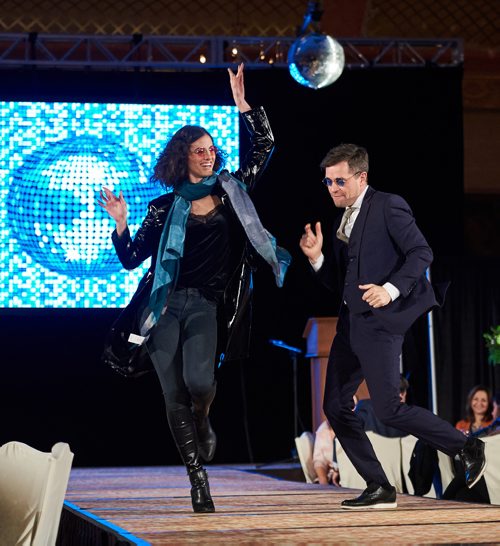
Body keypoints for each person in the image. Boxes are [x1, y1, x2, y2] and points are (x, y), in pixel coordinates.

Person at [99, 64, 289, 513]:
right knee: (172, 394)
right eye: (200, 151)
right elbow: (130, 259)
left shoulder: (232, 191)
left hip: (205, 304)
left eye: (211, 149)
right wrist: (122, 224)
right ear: (182, 156)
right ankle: (197, 481)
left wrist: (245, 107)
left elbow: (266, 146)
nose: (209, 155)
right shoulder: (163, 206)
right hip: (162, 308)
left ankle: (203, 420)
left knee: (200, 383)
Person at [299, 143, 486, 510]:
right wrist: (318, 258)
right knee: (336, 407)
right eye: (327, 182)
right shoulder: (343, 219)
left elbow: (421, 252)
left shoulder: (388, 205)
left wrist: (389, 289)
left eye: (339, 181)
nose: (333, 188)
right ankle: (379, 485)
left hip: (381, 325)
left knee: (388, 409)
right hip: (351, 326)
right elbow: (344, 282)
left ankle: (465, 445)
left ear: (361, 177)